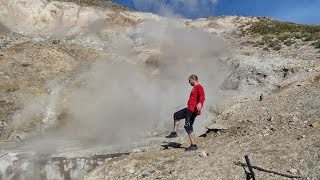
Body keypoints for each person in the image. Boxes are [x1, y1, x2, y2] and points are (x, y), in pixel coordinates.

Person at [166, 74, 205, 151]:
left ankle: (193, 145)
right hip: (189, 109)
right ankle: (174, 133)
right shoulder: (194, 88)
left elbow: (202, 96)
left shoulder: (199, 87)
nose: (189, 82)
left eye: (189, 80)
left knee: (188, 126)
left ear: (193, 79)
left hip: (192, 111)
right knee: (176, 115)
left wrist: (200, 103)